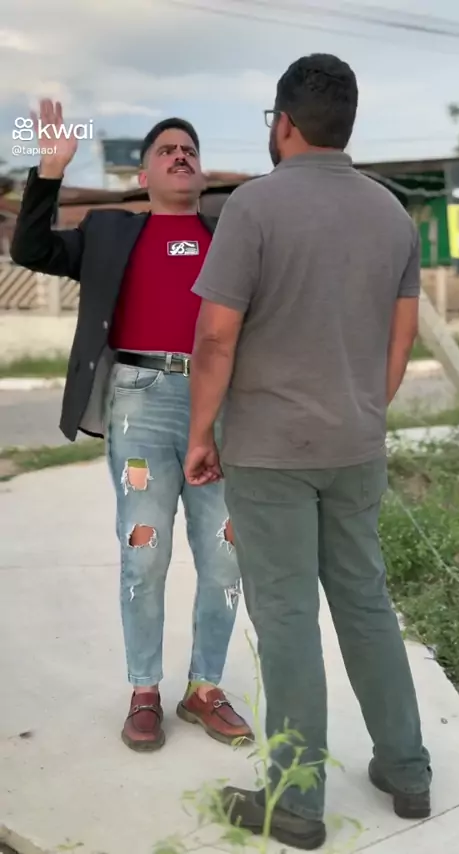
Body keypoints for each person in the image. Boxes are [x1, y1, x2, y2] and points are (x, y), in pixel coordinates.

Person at [184, 53, 431, 850]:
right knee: (366, 603)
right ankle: (407, 769)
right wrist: (362, 414)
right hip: (356, 446)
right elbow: (401, 338)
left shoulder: (253, 207)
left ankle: (295, 800)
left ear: (284, 123)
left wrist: (200, 433)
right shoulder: (392, 215)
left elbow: (216, 337)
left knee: (287, 616)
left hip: (270, 451)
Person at [11, 100, 252, 753]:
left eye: (189, 150)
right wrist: (50, 172)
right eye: (166, 151)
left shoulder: (231, 235)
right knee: (144, 552)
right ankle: (144, 690)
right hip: (139, 402)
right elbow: (30, 248)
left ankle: (205, 688)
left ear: (202, 174)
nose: (180, 156)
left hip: (218, 406)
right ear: (143, 176)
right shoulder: (110, 232)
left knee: (226, 554)